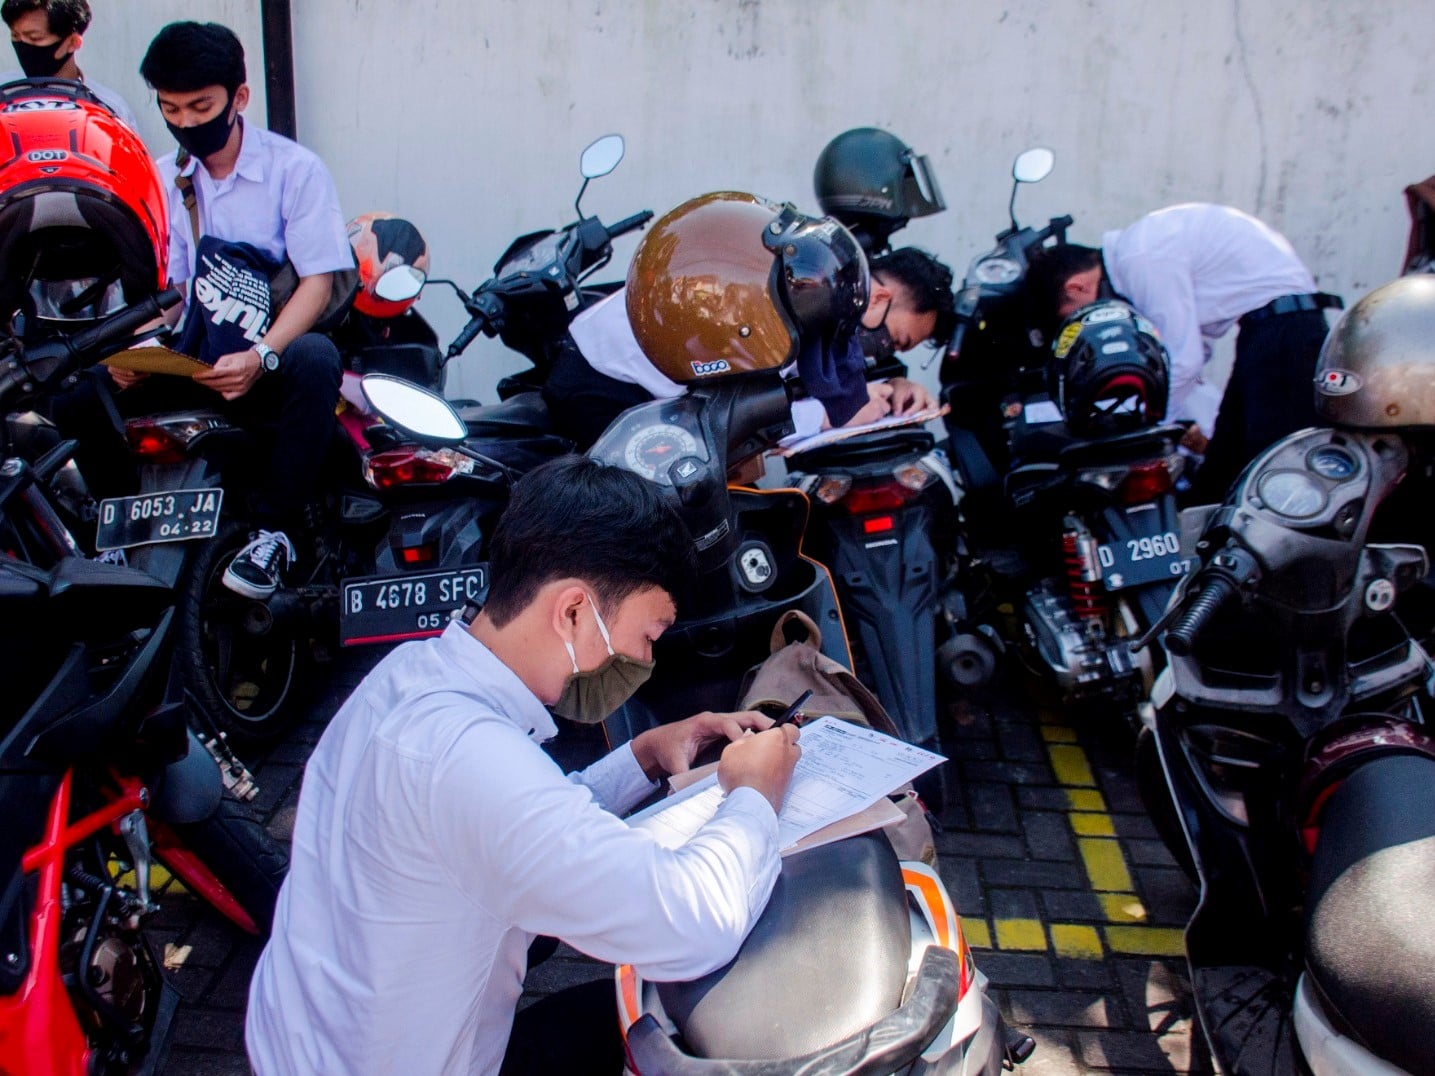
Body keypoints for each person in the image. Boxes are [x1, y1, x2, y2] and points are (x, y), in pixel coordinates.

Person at [245, 453, 802, 1075]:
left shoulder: (407, 678)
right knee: (696, 1023)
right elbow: (696, 924)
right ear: (571, 610)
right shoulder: (473, 762)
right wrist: (754, 792)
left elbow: (520, 819)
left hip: (311, 1044)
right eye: (649, 635)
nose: (646, 659)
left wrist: (643, 756)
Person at [50, 22, 352, 596]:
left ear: (239, 98)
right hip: (193, 363)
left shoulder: (295, 171)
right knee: (75, 390)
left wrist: (262, 355)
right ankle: (113, 538)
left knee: (317, 358)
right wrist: (135, 351)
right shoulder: (160, 179)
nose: (186, 121)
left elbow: (317, 282)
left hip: (266, 367)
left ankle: (275, 536)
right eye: (170, 108)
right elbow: (165, 296)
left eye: (200, 106)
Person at [1025, 203, 1342, 500]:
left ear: (1077, 287)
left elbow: (1183, 362)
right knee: (1225, 466)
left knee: (1266, 473)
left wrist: (1147, 433)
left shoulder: (1140, 259)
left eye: (1072, 314)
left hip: (1284, 332)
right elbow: (1194, 350)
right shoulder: (1138, 253)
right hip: (1272, 329)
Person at [544, 245, 949, 449]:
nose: (881, 351)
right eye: (894, 341)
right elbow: (739, 412)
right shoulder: (806, 294)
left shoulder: (828, 284)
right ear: (878, 299)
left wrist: (894, 387)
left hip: (657, 389)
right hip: (605, 384)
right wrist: (825, 418)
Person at [1, 0, 138, 129]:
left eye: (35, 38)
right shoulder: (3, 89)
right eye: (15, 36)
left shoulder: (109, 108)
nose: (23, 45)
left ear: (73, 43)